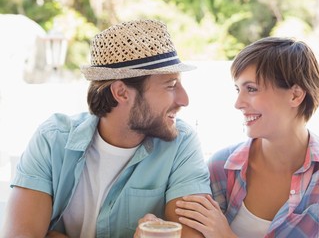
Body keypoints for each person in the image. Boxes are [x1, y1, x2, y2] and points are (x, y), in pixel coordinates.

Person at [0, 19, 211, 238]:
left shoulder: (182, 144)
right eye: (171, 85)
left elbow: (191, 235)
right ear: (121, 92)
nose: (184, 99)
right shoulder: (52, 140)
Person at [173, 37, 319, 237]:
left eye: (251, 89)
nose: (238, 103)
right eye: (238, 89)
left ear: (295, 95)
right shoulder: (221, 167)